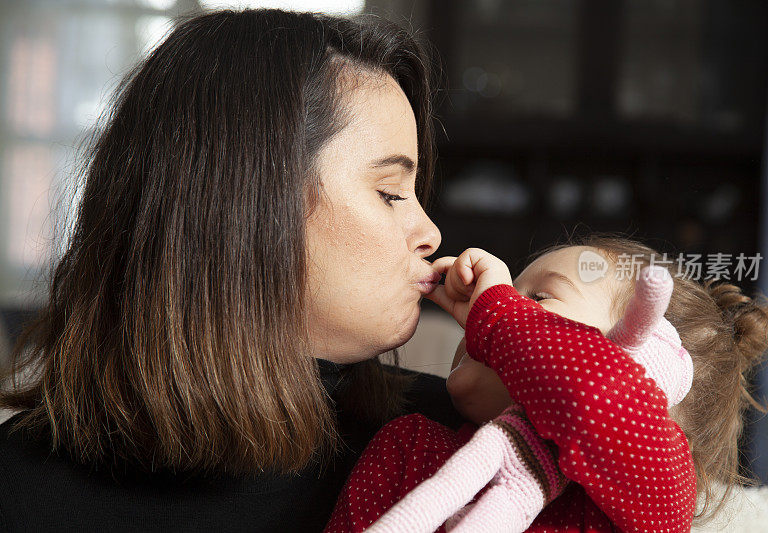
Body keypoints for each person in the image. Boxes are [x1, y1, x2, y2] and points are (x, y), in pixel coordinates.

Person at [0, 9, 462, 532]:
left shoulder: (454, 446)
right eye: (391, 193)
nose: (430, 233)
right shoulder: (17, 490)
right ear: (250, 204)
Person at [325, 236, 768, 532]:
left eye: (538, 297)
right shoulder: (409, 448)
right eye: (509, 294)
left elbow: (600, 399)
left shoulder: (651, 499)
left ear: (646, 367)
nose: (495, 300)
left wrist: (502, 318)